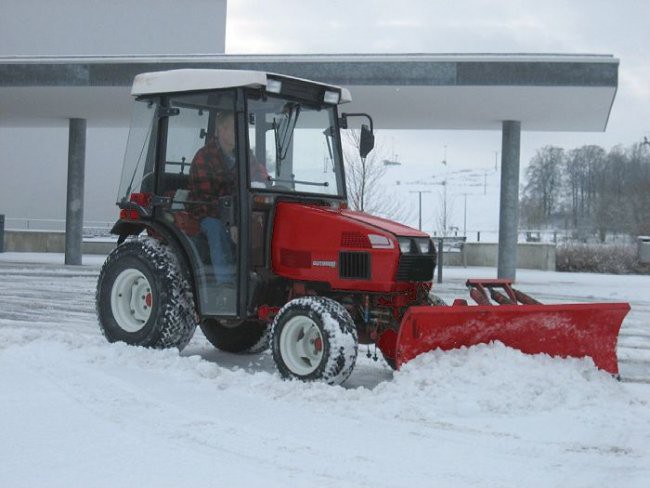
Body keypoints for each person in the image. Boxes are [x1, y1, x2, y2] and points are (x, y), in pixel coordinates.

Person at [188, 110, 267, 287]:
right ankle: (226, 286)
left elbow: (260, 176)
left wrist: (266, 182)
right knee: (217, 229)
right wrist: (230, 222)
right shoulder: (204, 157)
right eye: (234, 128)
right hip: (205, 212)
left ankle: (261, 278)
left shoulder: (244, 155)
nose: (240, 133)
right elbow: (206, 198)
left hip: (237, 211)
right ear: (222, 131)